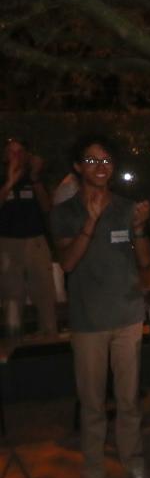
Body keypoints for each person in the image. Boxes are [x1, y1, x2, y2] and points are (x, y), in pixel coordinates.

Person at [50, 134, 150, 478]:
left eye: (106, 160)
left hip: (126, 316)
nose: (100, 167)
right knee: (92, 404)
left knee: (128, 402)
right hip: (88, 322)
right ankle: (92, 477)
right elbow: (68, 262)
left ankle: (135, 468)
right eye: (91, 161)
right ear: (77, 167)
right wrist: (90, 223)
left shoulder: (127, 208)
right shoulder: (65, 212)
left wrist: (140, 228)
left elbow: (143, 262)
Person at [1, 137, 57, 336]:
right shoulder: (2, 176)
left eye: (19, 152)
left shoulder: (35, 177)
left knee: (44, 293)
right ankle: (13, 344)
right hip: (7, 244)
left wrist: (35, 178)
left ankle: (49, 339)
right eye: (11, 152)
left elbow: (47, 207)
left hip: (36, 242)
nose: (16, 156)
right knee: (12, 297)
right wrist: (9, 182)